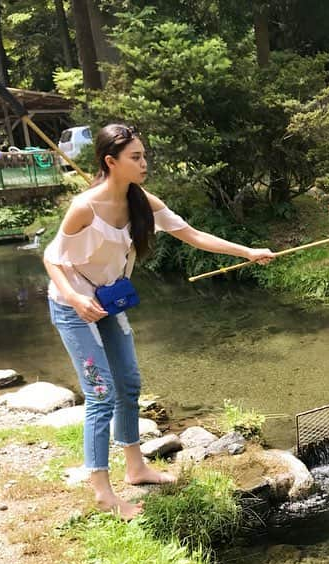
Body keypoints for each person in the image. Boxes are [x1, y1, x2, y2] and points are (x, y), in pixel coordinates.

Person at [43, 123, 274, 519]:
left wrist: (247, 251)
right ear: (110, 162)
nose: (144, 162)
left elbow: (193, 234)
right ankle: (101, 489)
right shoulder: (84, 208)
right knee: (100, 394)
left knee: (129, 382)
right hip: (74, 307)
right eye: (136, 157)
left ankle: (136, 467)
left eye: (144, 155)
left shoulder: (142, 202)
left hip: (109, 302)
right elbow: (52, 259)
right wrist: (75, 298)